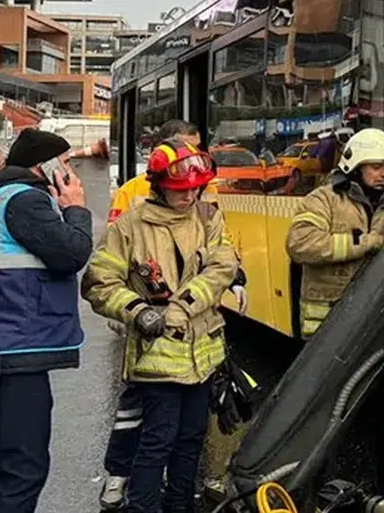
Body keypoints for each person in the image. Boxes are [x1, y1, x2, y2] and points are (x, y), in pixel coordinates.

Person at [82, 138, 239, 513]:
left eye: (195, 189)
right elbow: (98, 282)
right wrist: (137, 311)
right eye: (179, 190)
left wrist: (183, 305)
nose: (189, 197)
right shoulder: (131, 226)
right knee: (157, 441)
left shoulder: (208, 217)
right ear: (158, 185)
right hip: (157, 358)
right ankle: (143, 506)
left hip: (203, 357)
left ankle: (179, 505)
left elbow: (223, 265)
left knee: (191, 439)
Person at [0, 129, 92, 513]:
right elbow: (72, 252)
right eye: (65, 163)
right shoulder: (24, 201)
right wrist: (75, 208)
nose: (70, 171)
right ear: (46, 167)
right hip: (15, 353)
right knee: (23, 470)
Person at [286, 128, 384, 337]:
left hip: (372, 318)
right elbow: (300, 244)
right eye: (377, 167)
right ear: (355, 167)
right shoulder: (323, 200)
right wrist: (364, 243)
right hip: (327, 327)